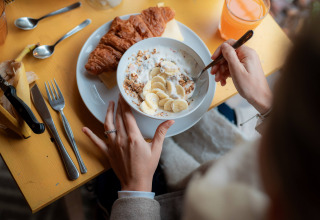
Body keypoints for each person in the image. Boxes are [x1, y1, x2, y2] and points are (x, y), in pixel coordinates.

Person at [82, 14, 320, 220]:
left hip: (164, 204)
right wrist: (266, 105)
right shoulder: (295, 171)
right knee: (217, 112)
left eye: (279, 125)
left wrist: (135, 189)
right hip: (197, 175)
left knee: (108, 178)